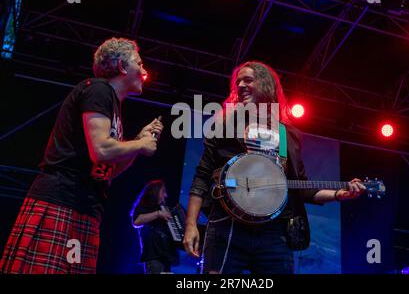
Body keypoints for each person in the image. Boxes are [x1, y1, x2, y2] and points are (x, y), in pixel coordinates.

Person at [183, 61, 366, 274]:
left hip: (273, 233)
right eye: (237, 82)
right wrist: (190, 224)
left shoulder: (288, 135)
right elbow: (202, 176)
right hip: (228, 225)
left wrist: (339, 194)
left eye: (247, 79)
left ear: (266, 85)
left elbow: (301, 187)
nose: (240, 85)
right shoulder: (223, 125)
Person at [0, 37, 163, 274]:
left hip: (85, 206)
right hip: (62, 199)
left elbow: (109, 169)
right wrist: (140, 145)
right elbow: (102, 149)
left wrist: (138, 140)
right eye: (139, 63)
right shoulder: (98, 89)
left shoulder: (113, 104)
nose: (143, 71)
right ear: (121, 66)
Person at [132, 180, 180, 274]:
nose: (165, 195)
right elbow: (137, 221)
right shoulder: (144, 206)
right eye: (163, 191)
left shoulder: (164, 209)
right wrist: (158, 214)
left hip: (166, 255)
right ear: (155, 191)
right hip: (154, 255)